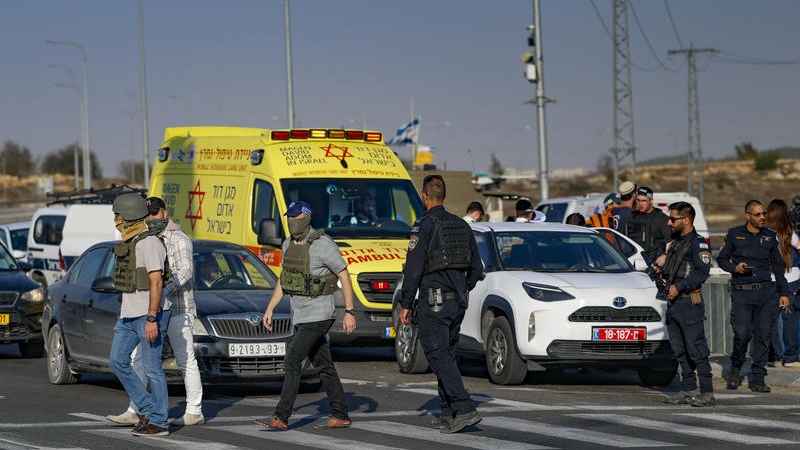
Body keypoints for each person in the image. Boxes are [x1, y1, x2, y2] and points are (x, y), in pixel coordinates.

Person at [255, 200, 356, 431]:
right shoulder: (288, 244)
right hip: (300, 314)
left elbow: (344, 275)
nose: (292, 222)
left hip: (320, 314)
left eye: (296, 218)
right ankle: (341, 414)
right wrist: (270, 308)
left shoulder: (323, 244)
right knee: (324, 365)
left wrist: (349, 311)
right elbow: (285, 278)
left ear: (307, 218)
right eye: (289, 218)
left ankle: (281, 416)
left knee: (293, 358)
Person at [106, 197, 205, 427]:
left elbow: (184, 272)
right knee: (136, 360)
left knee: (184, 359)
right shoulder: (141, 239)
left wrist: (159, 295)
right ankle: (137, 408)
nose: (151, 218)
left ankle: (193, 411)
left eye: (154, 214)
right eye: (147, 215)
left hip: (177, 308)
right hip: (148, 309)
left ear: (164, 213)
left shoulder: (177, 239)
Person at [398, 174, 484, 434]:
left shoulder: (423, 226)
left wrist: (405, 303)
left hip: (433, 302)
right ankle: (449, 412)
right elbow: (477, 268)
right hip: (457, 303)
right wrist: (464, 289)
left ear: (425, 197)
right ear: (443, 196)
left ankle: (465, 407)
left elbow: (413, 269)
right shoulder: (461, 225)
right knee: (446, 355)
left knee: (437, 354)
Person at [108, 192, 171, 437]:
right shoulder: (132, 243)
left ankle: (159, 422)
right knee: (117, 360)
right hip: (127, 315)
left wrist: (152, 318)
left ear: (128, 217)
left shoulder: (150, 244)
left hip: (148, 316)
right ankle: (147, 408)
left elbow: (156, 283)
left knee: (153, 369)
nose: (115, 221)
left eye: (117, 216)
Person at [717, 200, 790, 393]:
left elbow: (779, 267)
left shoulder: (769, 236)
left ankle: (758, 377)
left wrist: (784, 293)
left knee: (763, 335)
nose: (762, 217)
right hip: (743, 292)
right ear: (747, 216)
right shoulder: (735, 234)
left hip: (766, 293)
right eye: (757, 214)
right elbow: (722, 259)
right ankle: (735, 369)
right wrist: (735, 268)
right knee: (742, 334)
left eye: (764, 213)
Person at [656, 201, 714, 407]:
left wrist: (679, 287)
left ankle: (707, 392)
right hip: (673, 304)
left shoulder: (698, 244)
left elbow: (702, 272)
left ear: (686, 220)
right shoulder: (676, 243)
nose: (669, 223)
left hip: (689, 303)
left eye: (673, 219)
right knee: (679, 349)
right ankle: (688, 388)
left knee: (696, 348)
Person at [765, 199, 800, 368]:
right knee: (791, 319)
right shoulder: (789, 232)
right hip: (792, 280)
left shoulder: (763, 234)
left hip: (770, 281)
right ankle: (790, 357)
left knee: (770, 320)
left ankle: (773, 356)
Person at [625, 186, 671, 263]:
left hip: (654, 263)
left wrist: (665, 256)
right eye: (638, 200)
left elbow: (672, 241)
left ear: (651, 201)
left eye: (644, 201)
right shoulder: (631, 217)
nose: (640, 204)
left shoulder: (661, 218)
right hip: (632, 261)